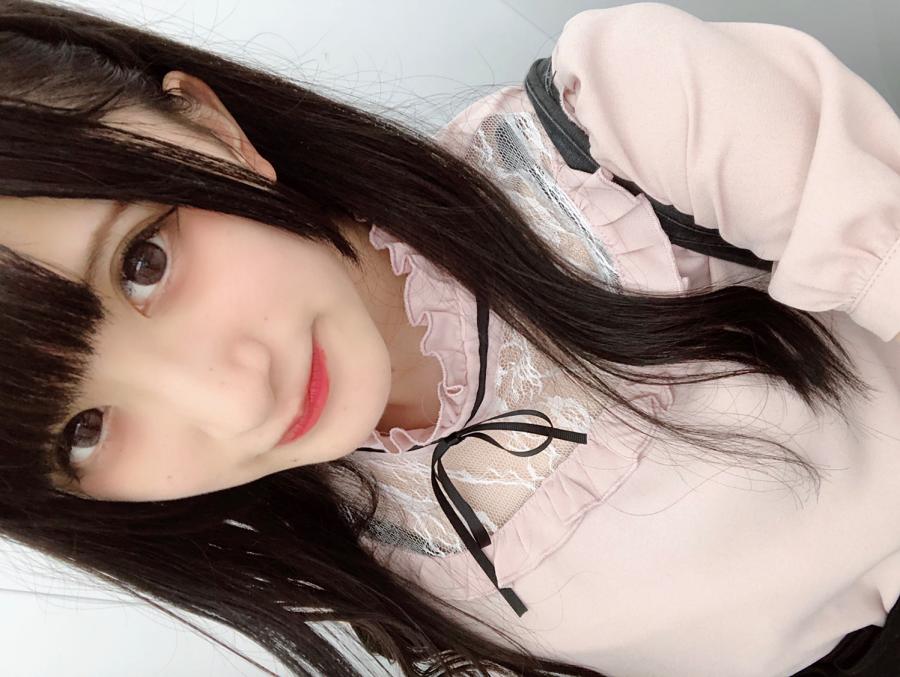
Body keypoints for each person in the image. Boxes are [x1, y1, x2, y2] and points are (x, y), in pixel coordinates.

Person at [0, 0, 897, 675]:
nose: (236, 401)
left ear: (210, 127)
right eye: (83, 430)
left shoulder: (621, 130)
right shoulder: (337, 548)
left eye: (144, 261)